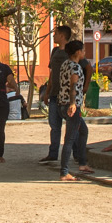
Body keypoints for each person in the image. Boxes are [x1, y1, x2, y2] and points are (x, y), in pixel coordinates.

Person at [57, 37, 91, 181]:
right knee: (70, 139)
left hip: (62, 103)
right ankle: (64, 172)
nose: (84, 52)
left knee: (83, 131)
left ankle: (82, 163)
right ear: (78, 52)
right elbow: (73, 86)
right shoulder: (75, 67)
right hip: (72, 105)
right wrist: (73, 103)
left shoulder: (65, 64)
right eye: (83, 50)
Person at [40, 24, 75, 165]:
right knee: (54, 126)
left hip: (67, 96)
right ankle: (53, 153)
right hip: (54, 94)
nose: (53, 36)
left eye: (55, 33)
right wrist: (47, 92)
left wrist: (82, 89)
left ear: (62, 36)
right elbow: (52, 73)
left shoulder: (71, 51)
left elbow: (85, 67)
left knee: (73, 126)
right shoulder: (54, 51)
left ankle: (77, 154)